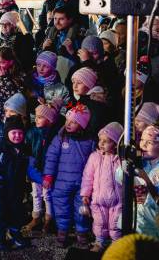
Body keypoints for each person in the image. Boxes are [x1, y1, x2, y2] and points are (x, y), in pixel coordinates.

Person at [43, 103, 95, 248]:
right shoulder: (61, 137)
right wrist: (48, 175)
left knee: (82, 209)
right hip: (61, 182)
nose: (68, 124)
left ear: (83, 124)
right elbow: (51, 157)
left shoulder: (90, 140)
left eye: (73, 122)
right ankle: (62, 232)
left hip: (82, 184)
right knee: (61, 207)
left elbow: (94, 162)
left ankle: (82, 233)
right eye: (67, 120)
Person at [0, 116, 31, 250]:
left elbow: (27, 168)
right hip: (1, 189)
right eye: (14, 133)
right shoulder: (1, 150)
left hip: (17, 189)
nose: (17, 136)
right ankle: (0, 238)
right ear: (7, 133)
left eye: (20, 133)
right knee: (0, 212)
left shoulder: (23, 150)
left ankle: (15, 233)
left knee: (17, 211)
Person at [81, 122, 124, 251]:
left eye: (106, 141)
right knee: (99, 222)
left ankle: (116, 242)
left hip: (117, 200)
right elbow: (87, 177)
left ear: (115, 143)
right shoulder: (94, 157)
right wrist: (85, 194)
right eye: (100, 140)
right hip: (98, 199)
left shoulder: (120, 159)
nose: (101, 144)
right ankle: (100, 242)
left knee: (115, 223)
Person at [24, 104, 62, 234]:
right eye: (36, 117)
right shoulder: (32, 132)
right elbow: (27, 150)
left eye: (40, 117)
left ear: (49, 120)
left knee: (47, 195)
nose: (36, 119)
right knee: (36, 193)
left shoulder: (53, 134)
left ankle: (48, 218)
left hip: (47, 170)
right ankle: (36, 217)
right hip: (35, 169)